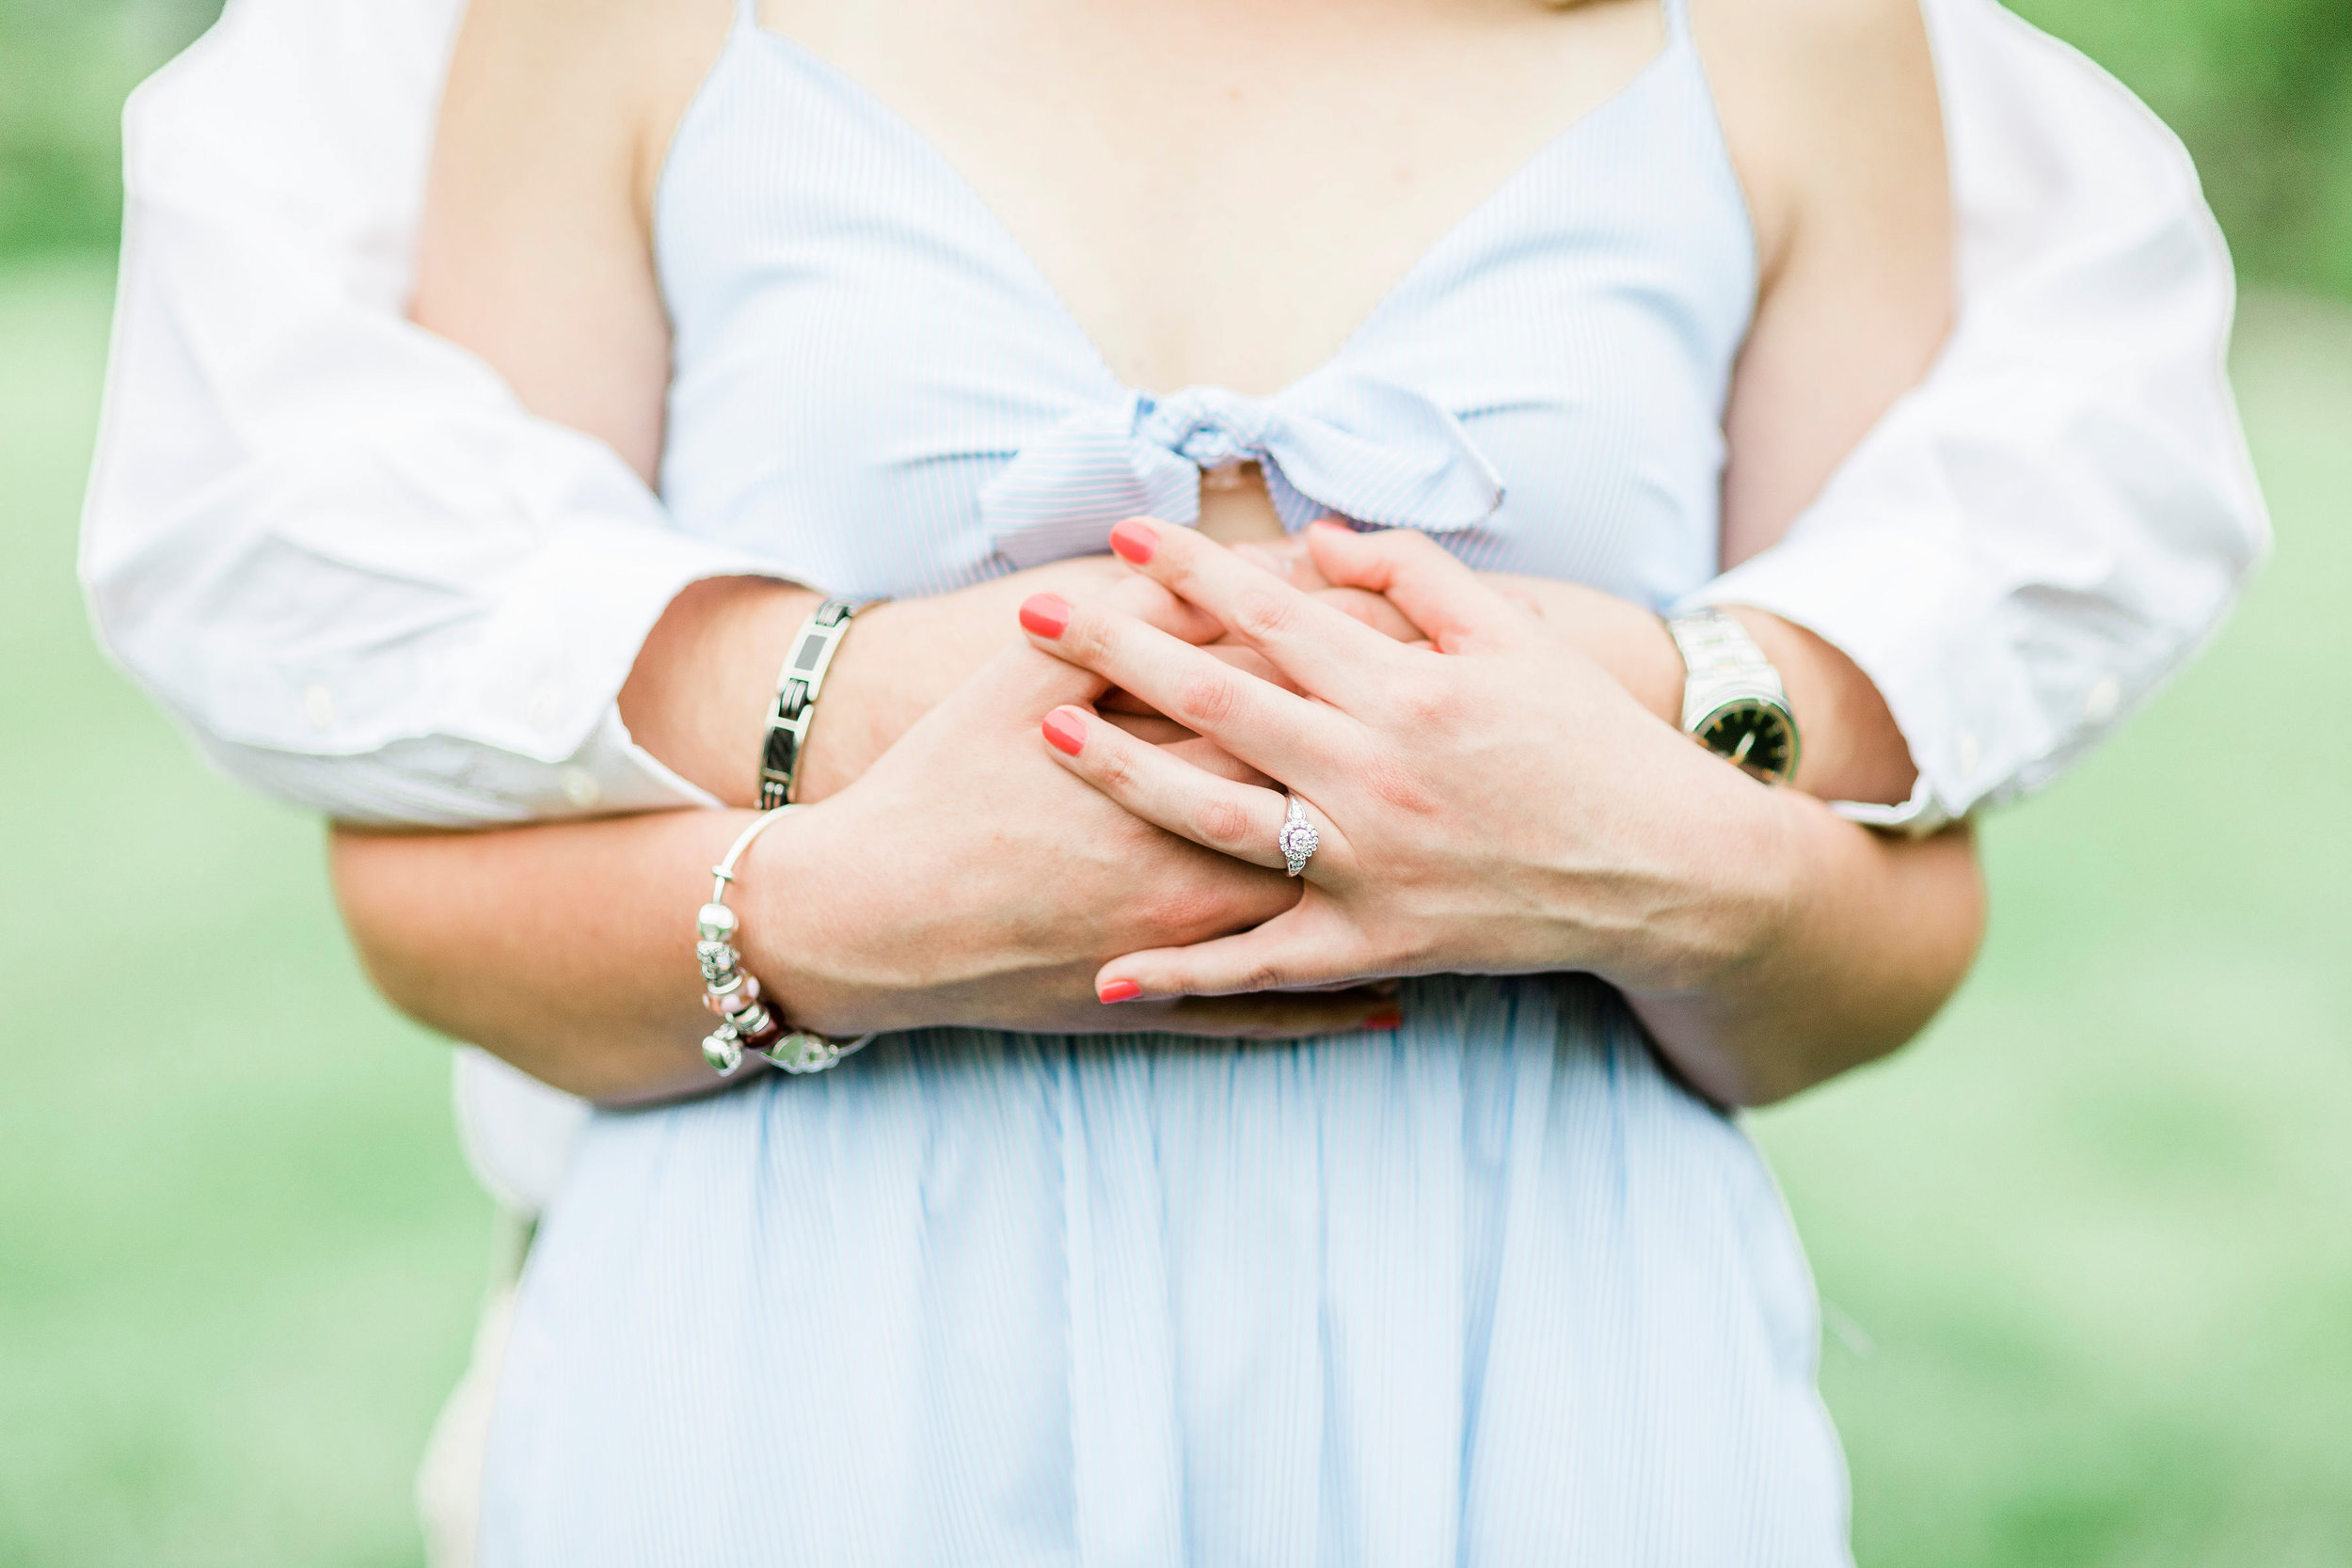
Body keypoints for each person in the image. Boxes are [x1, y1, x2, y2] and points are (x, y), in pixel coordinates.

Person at [78, 0, 2266, 1560]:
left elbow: (1886, 937)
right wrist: (855, 911)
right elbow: (434, 881)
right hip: (810, 1376)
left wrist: (1642, 835)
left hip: (1539, 1368)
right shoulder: (606, 26)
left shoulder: (1797, 40)